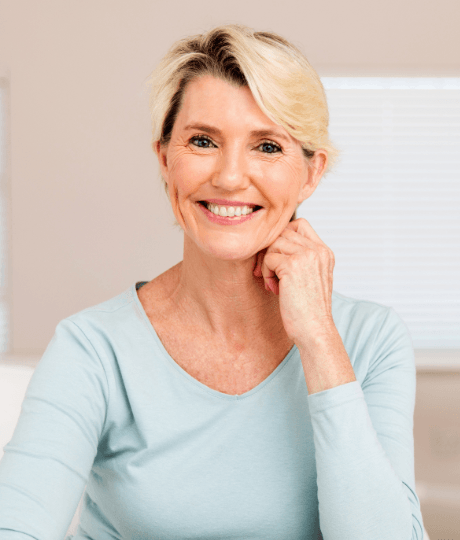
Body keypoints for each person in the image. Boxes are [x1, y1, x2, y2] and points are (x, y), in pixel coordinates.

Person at [0, 24, 425, 540]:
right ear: (164, 159)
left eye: (267, 146)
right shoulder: (92, 349)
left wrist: (318, 339)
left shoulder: (371, 340)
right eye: (203, 141)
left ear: (312, 173)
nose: (228, 177)